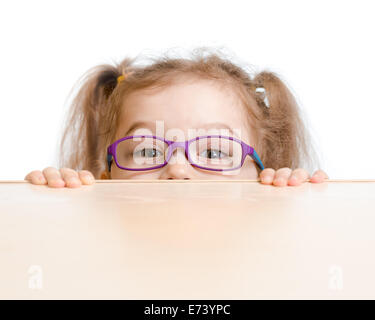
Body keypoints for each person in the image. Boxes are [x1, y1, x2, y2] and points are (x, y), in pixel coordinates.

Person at [25, 48, 328, 188]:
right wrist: (60, 202)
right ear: (106, 176)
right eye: (146, 151)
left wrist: (292, 201)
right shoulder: (97, 232)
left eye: (213, 151)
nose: (178, 169)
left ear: (263, 173)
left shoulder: (273, 216)